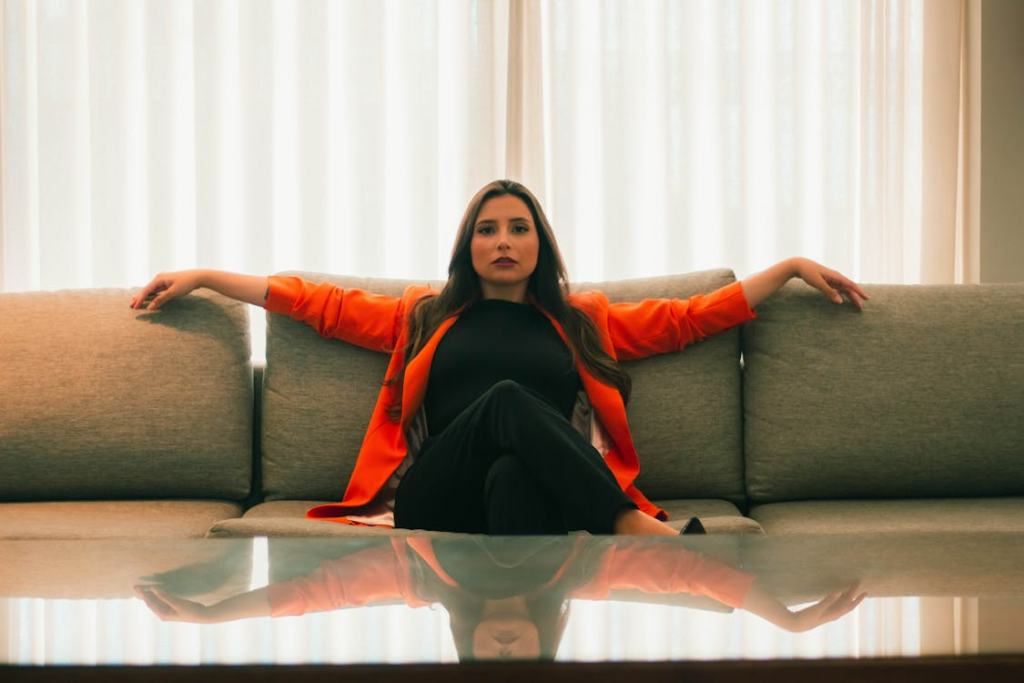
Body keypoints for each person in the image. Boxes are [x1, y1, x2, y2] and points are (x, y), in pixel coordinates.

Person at [130, 179, 868, 537]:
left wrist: (791, 266)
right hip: (429, 495)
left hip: (527, 497)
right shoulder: (423, 315)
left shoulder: (583, 320)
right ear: (469, 245)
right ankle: (640, 536)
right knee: (510, 400)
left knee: (514, 472)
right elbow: (315, 301)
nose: (504, 241)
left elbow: (688, 319)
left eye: (519, 228)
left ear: (539, 244)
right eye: (488, 229)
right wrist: (206, 276)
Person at [135, 535, 866, 661]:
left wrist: (208, 615)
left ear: (467, 650)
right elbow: (683, 573)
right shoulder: (578, 572)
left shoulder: (421, 580)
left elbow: (312, 595)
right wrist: (790, 620)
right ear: (549, 647)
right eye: (526, 664)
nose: (508, 653)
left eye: (493, 666)